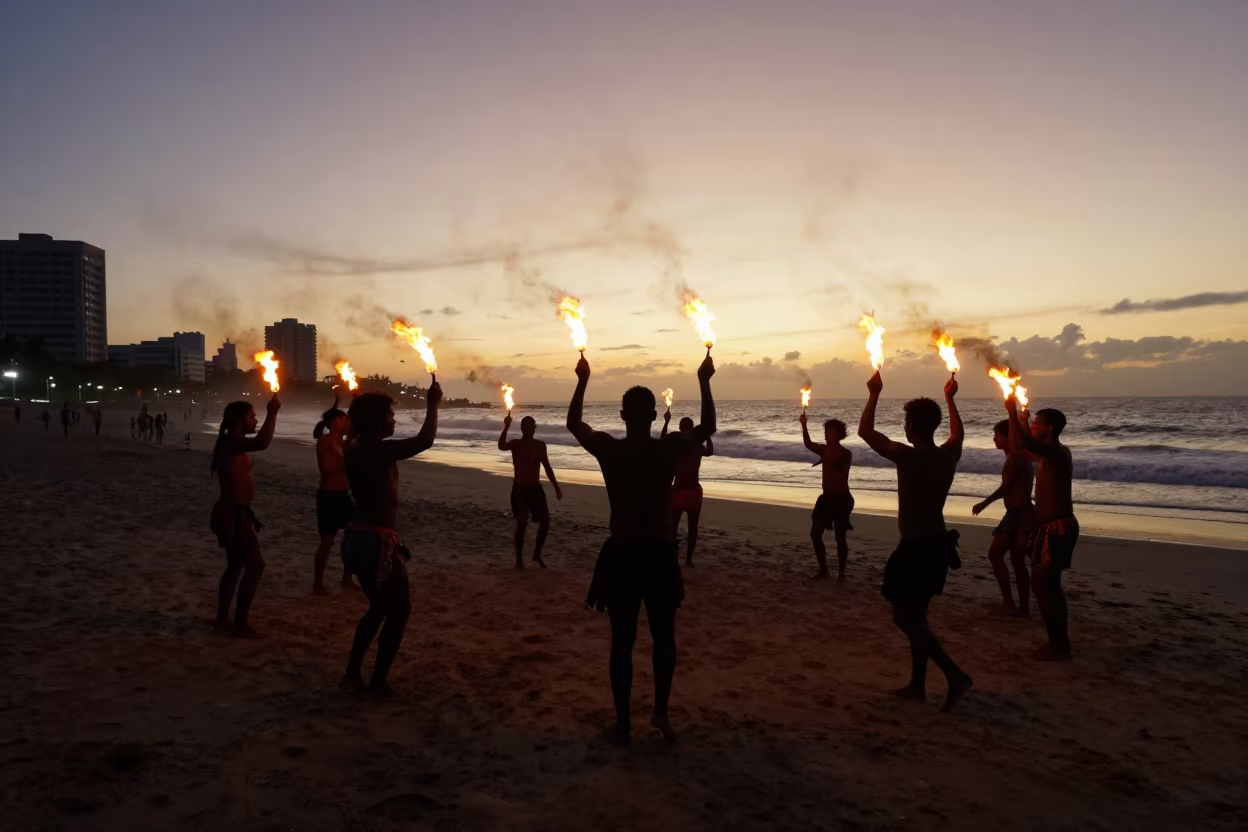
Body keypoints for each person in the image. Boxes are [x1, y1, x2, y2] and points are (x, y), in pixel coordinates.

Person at [568, 353, 717, 744]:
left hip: (622, 553)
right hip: (658, 554)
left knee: (623, 640)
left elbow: (574, 425)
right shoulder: (666, 450)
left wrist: (582, 380)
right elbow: (708, 428)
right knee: (664, 637)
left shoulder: (610, 450)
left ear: (622, 416)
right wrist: (704, 381)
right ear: (653, 416)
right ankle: (660, 714)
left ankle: (623, 724)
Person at [858, 371, 972, 712]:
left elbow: (866, 432)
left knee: (905, 619)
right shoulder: (948, 455)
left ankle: (955, 675)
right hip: (938, 545)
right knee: (918, 619)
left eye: (906, 422)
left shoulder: (907, 456)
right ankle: (917, 686)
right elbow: (957, 434)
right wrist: (950, 399)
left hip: (916, 549)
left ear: (910, 426)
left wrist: (874, 393)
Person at [340, 384, 441, 696]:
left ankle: (353, 673)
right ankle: (377, 681)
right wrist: (432, 403)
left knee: (381, 607)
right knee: (398, 610)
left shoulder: (356, 447)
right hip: (374, 541)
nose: (395, 419)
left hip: (360, 537)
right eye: (390, 415)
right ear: (377, 421)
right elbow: (425, 440)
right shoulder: (375, 450)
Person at [1007, 398, 1078, 660]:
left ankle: (1059, 647)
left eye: (1036, 423)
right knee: (1045, 587)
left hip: (1057, 527)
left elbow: (1027, 443)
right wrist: (1014, 415)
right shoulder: (1046, 455)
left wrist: (1017, 415)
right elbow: (1017, 447)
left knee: (1047, 587)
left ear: (1050, 429)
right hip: (1047, 528)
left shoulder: (1057, 453)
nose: (1033, 426)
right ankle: (1058, 644)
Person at [210, 395, 280, 637]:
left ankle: (222, 619)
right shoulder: (231, 442)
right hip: (233, 514)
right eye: (252, 416)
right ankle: (239, 623)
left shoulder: (234, 442)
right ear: (239, 420)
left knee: (236, 565)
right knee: (255, 566)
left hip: (237, 513)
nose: (256, 420)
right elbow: (262, 442)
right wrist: (273, 412)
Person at [972, 420, 1034, 616]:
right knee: (1017, 560)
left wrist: (984, 503)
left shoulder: (1015, 458)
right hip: (1022, 513)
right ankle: (1022, 608)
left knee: (995, 554)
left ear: (1009, 438)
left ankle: (1009, 603)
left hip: (1018, 514)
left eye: (997, 435)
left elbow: (1005, 488)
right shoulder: (1018, 457)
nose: (994, 439)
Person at [498, 414, 563, 569]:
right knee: (522, 522)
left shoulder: (540, 445)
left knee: (545, 522)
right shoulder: (516, 444)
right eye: (526, 426)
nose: (529, 429)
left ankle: (537, 554)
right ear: (522, 428)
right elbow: (501, 446)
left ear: (535, 429)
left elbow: (547, 467)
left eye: (531, 427)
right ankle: (519, 559)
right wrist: (506, 426)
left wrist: (556, 487)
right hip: (520, 490)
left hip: (535, 489)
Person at [800, 415, 854, 581]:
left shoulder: (846, 453)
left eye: (831, 432)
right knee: (815, 534)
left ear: (839, 434)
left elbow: (840, 466)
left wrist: (827, 459)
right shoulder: (823, 450)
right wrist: (804, 425)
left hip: (842, 500)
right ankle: (823, 570)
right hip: (826, 500)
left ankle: (842, 574)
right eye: (826, 431)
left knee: (840, 537)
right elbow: (808, 444)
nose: (827, 434)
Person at [313, 402, 356, 594]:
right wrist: (348, 460)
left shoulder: (346, 443)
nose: (347, 422)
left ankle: (347, 579)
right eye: (343, 419)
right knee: (327, 542)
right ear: (334, 422)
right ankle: (318, 584)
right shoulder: (325, 441)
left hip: (345, 495)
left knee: (352, 538)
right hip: (329, 497)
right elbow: (327, 470)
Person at [660, 413, 714, 566]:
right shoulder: (693, 445)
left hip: (682, 490)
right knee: (688, 526)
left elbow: (662, 439)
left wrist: (666, 422)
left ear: (681, 428)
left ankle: (679, 555)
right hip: (689, 490)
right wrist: (707, 436)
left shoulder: (679, 444)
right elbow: (710, 451)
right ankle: (686, 559)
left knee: (677, 526)